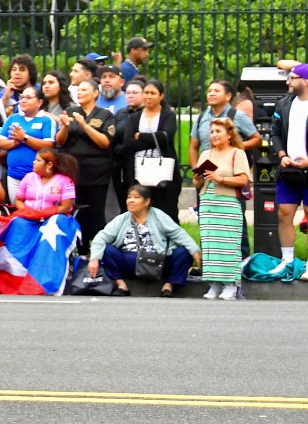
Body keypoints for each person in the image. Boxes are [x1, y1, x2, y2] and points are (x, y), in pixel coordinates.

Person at [189, 79, 262, 258]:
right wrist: (196, 170)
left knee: (235, 220)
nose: (211, 94)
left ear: (228, 95)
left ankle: (242, 260)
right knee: (208, 221)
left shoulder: (237, 116)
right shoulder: (201, 117)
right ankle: (211, 261)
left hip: (230, 172)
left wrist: (233, 148)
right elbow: (193, 146)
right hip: (207, 173)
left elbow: (257, 139)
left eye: (216, 91)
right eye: (209, 90)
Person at [88, 184, 200, 297]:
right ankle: (121, 285)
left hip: (157, 263)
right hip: (130, 263)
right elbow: (101, 237)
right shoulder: (122, 219)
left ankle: (169, 285)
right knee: (106, 249)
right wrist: (94, 259)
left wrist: (195, 251)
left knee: (185, 251)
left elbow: (179, 234)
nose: (131, 201)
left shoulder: (159, 216)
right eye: (129, 197)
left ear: (147, 202)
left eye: (136, 197)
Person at [55, 78, 117, 247]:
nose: (80, 92)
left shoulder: (105, 115)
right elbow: (60, 141)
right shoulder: (70, 111)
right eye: (78, 90)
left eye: (84, 89)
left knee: (97, 214)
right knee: (78, 213)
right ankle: (81, 251)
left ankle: (98, 251)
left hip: (97, 173)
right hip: (75, 172)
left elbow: (105, 142)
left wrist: (83, 124)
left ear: (95, 93)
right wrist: (65, 126)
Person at [194, 118, 251, 299]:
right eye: (212, 132)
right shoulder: (206, 154)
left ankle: (231, 284)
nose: (214, 135)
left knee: (227, 244)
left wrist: (220, 179)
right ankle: (214, 283)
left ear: (229, 135)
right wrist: (198, 178)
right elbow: (198, 182)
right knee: (210, 243)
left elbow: (243, 180)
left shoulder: (237, 153)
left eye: (218, 131)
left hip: (227, 202)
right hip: (208, 202)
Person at [268, 63, 308, 273]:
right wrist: (282, 155)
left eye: (292, 78)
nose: (287, 82)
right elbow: (274, 132)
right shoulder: (284, 103)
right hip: (289, 168)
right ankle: (287, 260)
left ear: (305, 81)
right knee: (284, 213)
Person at [121, 79, 180, 221]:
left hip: (163, 169)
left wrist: (140, 136)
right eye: (146, 92)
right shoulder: (134, 117)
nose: (148, 96)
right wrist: (154, 139)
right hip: (138, 169)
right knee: (142, 209)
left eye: (153, 93)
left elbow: (166, 138)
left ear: (161, 96)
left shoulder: (168, 115)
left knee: (166, 208)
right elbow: (128, 142)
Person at [0, 86, 57, 203]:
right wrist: (15, 142)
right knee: (17, 208)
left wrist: (25, 138)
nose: (23, 100)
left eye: (28, 98)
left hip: (37, 175)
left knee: (35, 208)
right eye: (22, 97)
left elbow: (49, 146)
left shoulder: (46, 120)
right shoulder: (13, 118)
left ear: (39, 102)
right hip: (13, 174)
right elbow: (0, 143)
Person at [14, 150, 77, 220]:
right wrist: (28, 213)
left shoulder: (66, 181)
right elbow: (18, 200)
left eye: (38, 160)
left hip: (54, 218)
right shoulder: (29, 177)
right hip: (28, 218)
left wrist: (43, 214)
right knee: (18, 222)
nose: (33, 162)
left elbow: (66, 207)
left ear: (49, 165)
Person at [111, 78, 145, 208]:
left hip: (140, 161)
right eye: (128, 92)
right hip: (121, 163)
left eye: (135, 92)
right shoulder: (121, 113)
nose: (130, 95)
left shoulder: (146, 114)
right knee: (123, 197)